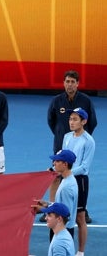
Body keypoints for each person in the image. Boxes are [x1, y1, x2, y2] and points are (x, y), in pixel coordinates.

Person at [44, 70, 97, 223]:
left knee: (77, 177)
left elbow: (92, 121)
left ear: (77, 84)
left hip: (78, 147)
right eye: (67, 81)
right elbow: (51, 120)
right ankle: (53, 208)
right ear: (63, 83)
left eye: (73, 82)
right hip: (61, 145)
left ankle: (82, 209)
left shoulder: (86, 101)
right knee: (55, 177)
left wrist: (81, 138)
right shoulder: (56, 101)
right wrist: (61, 134)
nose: (70, 85)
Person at [63, 108, 95, 256]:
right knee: (64, 214)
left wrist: (67, 172)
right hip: (66, 179)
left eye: (75, 119)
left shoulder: (89, 141)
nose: (71, 122)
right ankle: (65, 248)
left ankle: (80, 252)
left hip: (79, 181)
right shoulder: (67, 137)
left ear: (84, 121)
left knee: (80, 217)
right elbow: (63, 158)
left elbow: (84, 167)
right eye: (70, 119)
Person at [33, 149, 78, 242]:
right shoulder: (68, 180)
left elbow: (65, 215)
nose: (54, 163)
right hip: (62, 230)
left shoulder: (66, 188)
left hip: (61, 231)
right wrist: (48, 204)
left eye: (57, 161)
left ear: (65, 164)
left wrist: (43, 209)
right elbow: (61, 206)